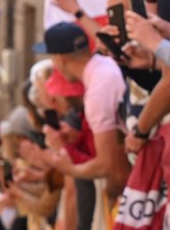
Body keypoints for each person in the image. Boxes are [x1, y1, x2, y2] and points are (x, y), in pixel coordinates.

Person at [38, 23, 130, 202]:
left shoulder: (97, 91)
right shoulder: (105, 66)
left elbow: (107, 165)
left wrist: (69, 169)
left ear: (60, 59)